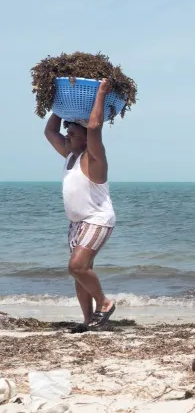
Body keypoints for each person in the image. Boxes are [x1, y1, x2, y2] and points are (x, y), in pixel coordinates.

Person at [44, 78, 117, 332]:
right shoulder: (71, 156)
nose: (67, 136)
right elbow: (50, 132)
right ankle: (88, 322)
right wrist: (58, 103)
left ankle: (104, 303)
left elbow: (95, 125)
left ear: (86, 139)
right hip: (76, 222)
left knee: (76, 266)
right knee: (80, 272)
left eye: (73, 134)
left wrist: (101, 93)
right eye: (68, 132)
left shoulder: (94, 157)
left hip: (97, 219)